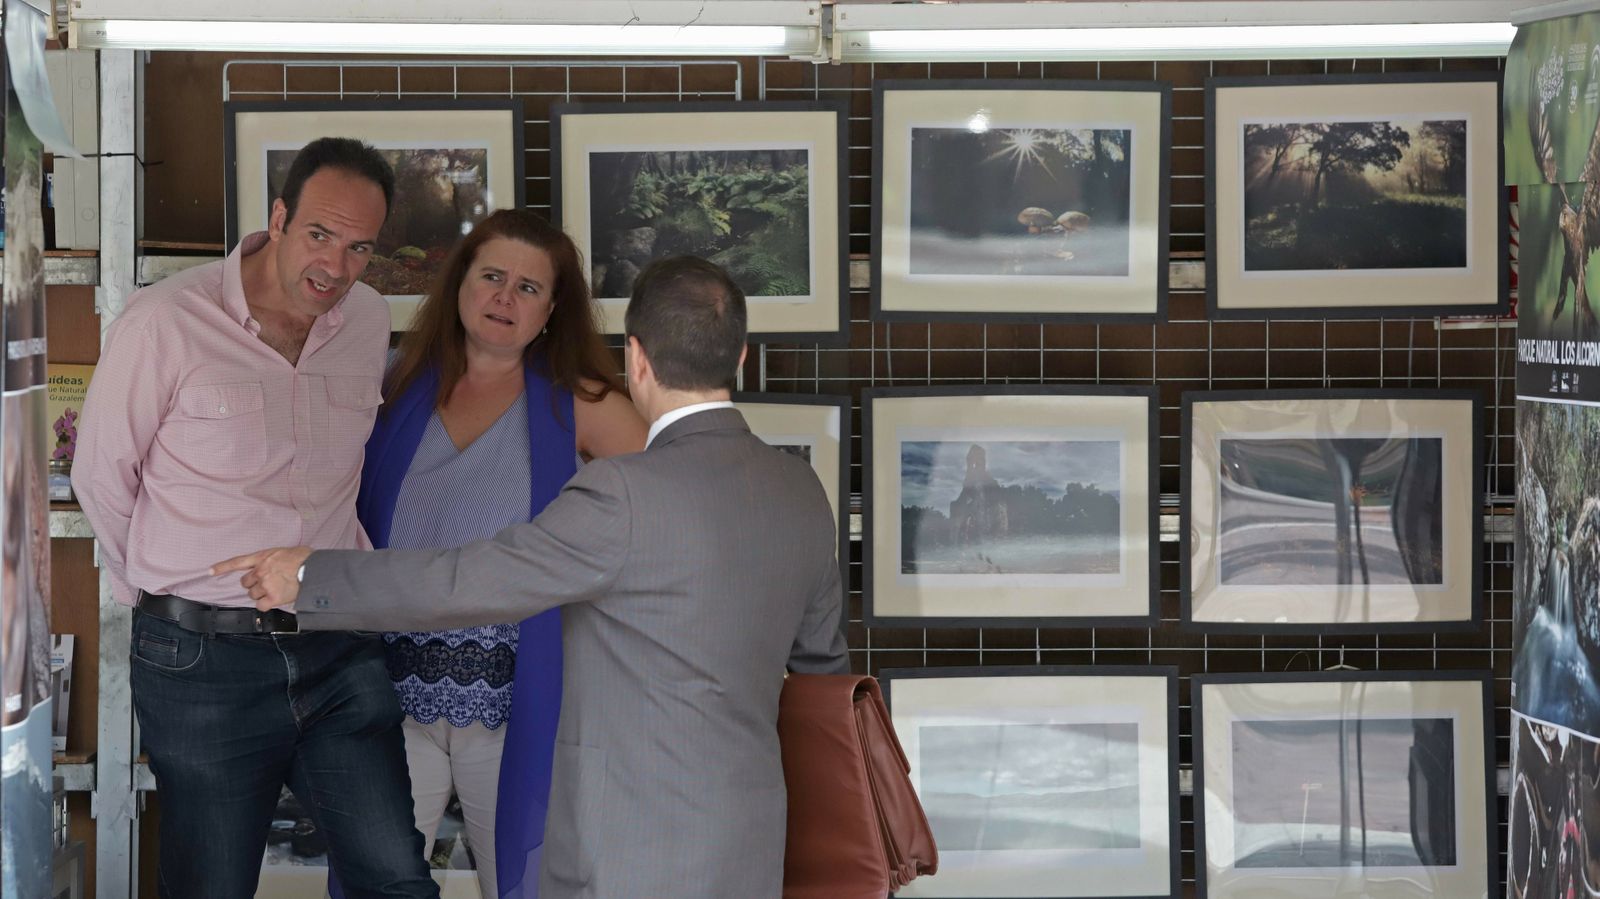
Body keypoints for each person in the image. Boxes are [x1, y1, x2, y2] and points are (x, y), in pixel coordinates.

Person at [216, 255, 850, 899]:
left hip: (627, 843)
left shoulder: (622, 493)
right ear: (740, 356)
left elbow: (470, 581)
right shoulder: (800, 491)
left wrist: (310, 578)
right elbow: (824, 678)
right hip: (754, 833)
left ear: (635, 358)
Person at [71, 138, 439, 899]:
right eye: (319, 235)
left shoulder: (366, 321)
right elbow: (101, 476)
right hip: (203, 659)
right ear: (277, 217)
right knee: (211, 886)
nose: (336, 267)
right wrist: (163, 597)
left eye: (359, 247)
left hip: (338, 643)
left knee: (396, 879)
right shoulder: (164, 322)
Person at [353, 209, 643, 898]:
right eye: (491, 276)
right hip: (390, 700)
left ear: (553, 310)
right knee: (374, 886)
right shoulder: (391, 384)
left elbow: (671, 516)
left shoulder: (584, 403)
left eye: (529, 287)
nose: (504, 298)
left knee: (528, 886)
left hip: (518, 704)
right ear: (459, 283)